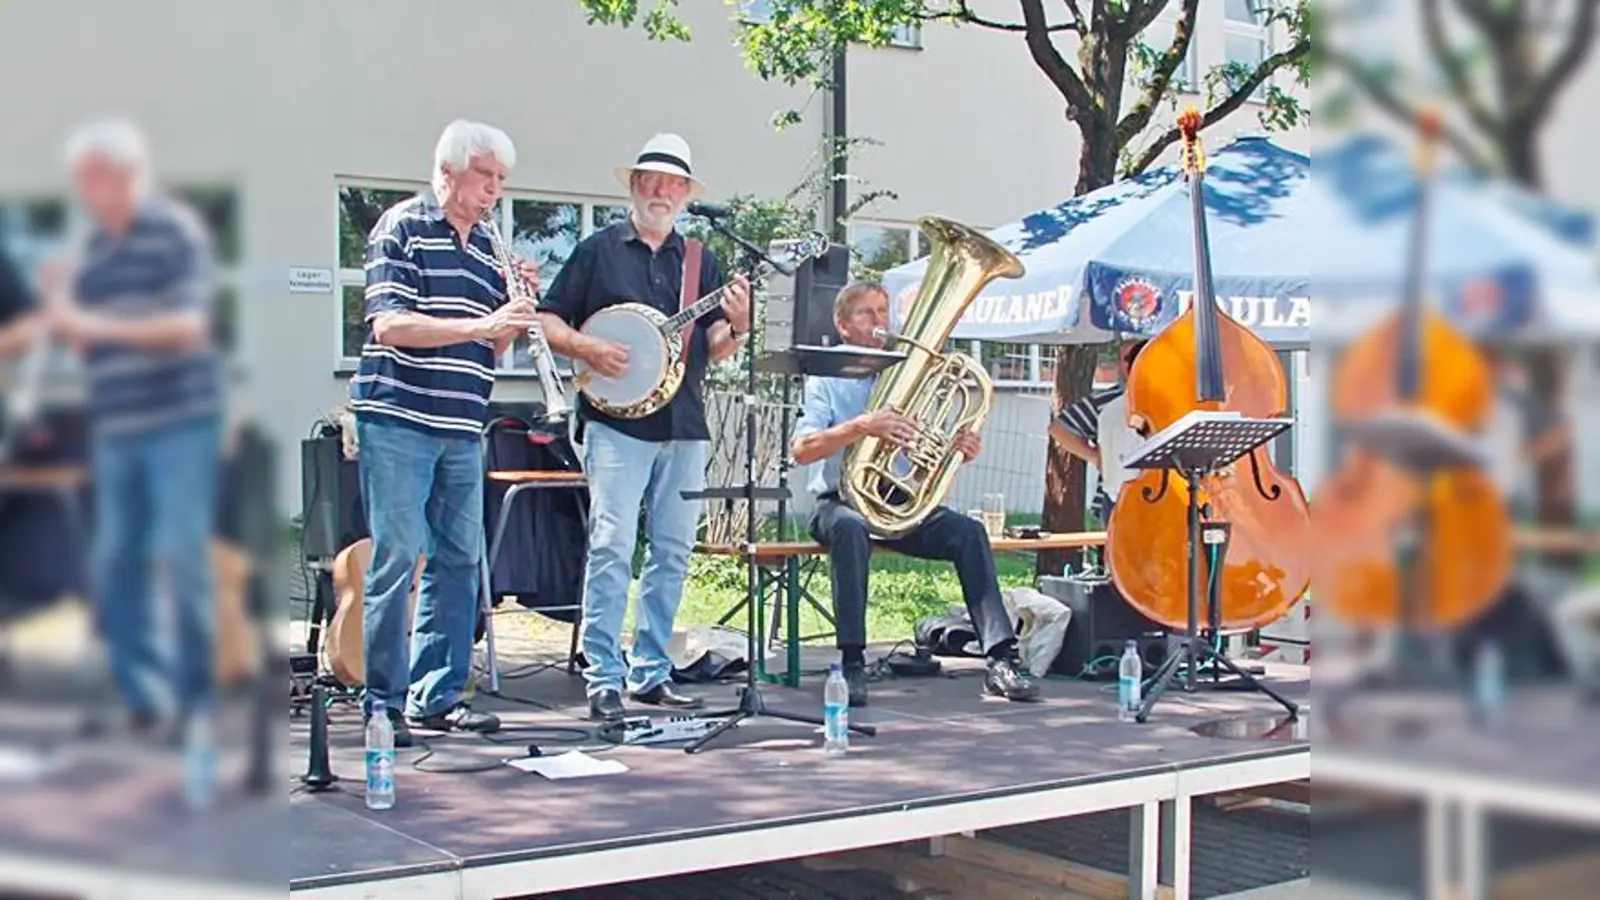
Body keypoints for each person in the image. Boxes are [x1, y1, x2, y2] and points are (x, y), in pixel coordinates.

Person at [535, 133, 751, 722]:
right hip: (613, 423)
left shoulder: (701, 260)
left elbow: (715, 348)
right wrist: (589, 347)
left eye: (672, 183)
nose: (661, 191)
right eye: (650, 181)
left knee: (674, 551)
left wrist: (740, 323)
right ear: (633, 186)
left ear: (685, 193)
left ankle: (651, 671)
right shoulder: (597, 250)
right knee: (611, 545)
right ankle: (603, 674)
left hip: (683, 421)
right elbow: (547, 319)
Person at [350, 119, 542, 746]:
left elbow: (495, 341)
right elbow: (390, 325)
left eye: (501, 181)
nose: (494, 191)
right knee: (399, 554)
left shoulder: (489, 246)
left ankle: (437, 696)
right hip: (400, 416)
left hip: (462, 423)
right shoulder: (402, 226)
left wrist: (519, 311)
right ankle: (383, 701)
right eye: (485, 176)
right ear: (448, 170)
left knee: (461, 559)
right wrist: (482, 323)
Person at [43, 118, 223, 737]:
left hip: (179, 422)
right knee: (115, 560)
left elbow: (185, 328)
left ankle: (195, 699)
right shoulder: (93, 248)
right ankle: (138, 695)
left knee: (179, 554)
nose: (88, 192)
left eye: (96, 178)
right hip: (117, 424)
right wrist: (63, 313)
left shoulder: (172, 234)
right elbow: (81, 338)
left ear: (124, 176)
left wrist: (91, 324)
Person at [790, 281, 1039, 708]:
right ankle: (852, 661)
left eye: (882, 311)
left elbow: (929, 447)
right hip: (840, 500)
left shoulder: (908, 373)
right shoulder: (825, 376)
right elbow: (801, 449)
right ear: (843, 325)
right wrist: (862, 426)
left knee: (969, 533)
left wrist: (956, 451)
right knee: (849, 530)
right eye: (866, 313)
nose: (878, 322)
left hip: (900, 503)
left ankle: (1001, 659)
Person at [1048, 339, 1147, 522]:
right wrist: (1094, 457)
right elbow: (1059, 429)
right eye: (1128, 358)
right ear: (1119, 364)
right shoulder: (1106, 403)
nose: (1135, 362)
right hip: (1116, 495)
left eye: (1140, 356)